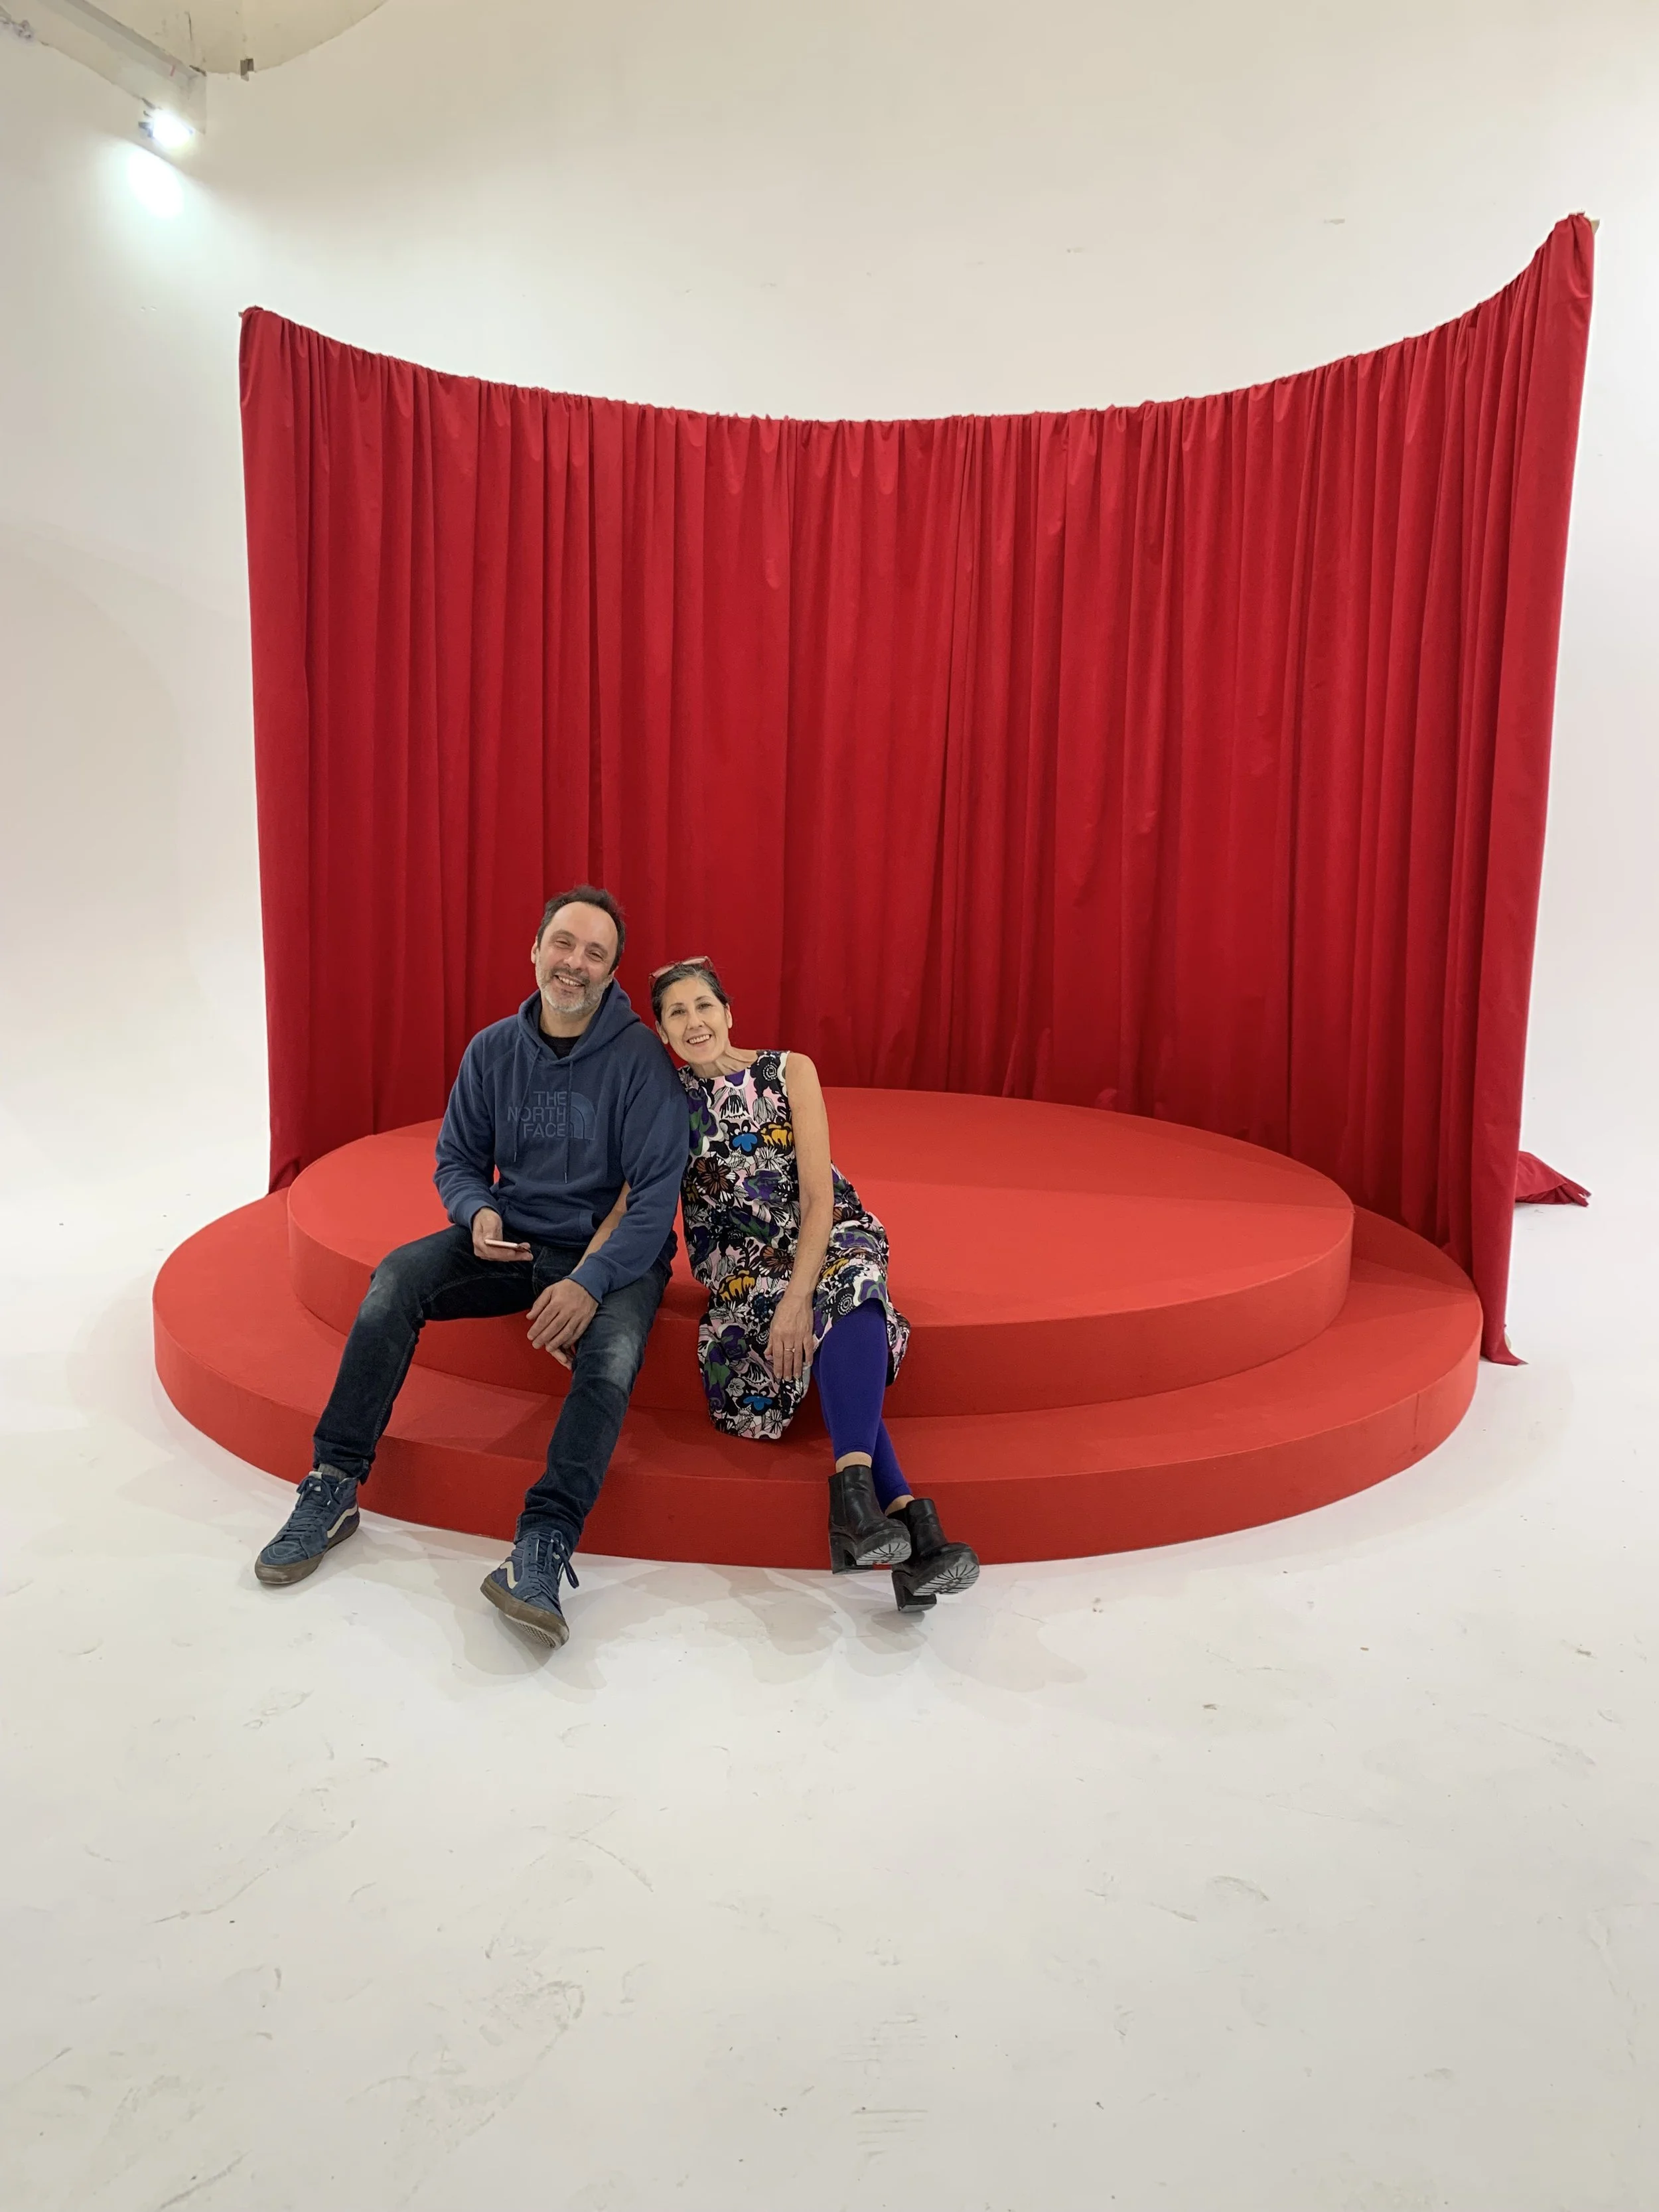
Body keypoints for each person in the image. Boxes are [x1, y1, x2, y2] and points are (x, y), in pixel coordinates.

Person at [254, 887, 689, 1648]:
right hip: (512, 1238)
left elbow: (655, 1198)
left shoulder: (641, 1061)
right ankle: (334, 1482)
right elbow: (457, 1159)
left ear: (613, 971)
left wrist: (588, 1282)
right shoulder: (492, 1050)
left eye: (594, 953)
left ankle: (543, 1544)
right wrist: (476, 1212)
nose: (574, 963)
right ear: (535, 948)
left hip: (610, 1255)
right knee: (395, 1280)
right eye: (563, 943)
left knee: (612, 1357)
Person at [647, 958, 979, 1613]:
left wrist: (799, 1297)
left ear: (728, 1012)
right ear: (660, 1033)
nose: (694, 1022)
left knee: (848, 1281)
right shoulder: (664, 1097)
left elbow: (817, 1194)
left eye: (703, 1006)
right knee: (835, 1306)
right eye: (676, 1013)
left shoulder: (789, 1070)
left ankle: (854, 1504)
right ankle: (915, 1533)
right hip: (740, 1260)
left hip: (822, 1228)